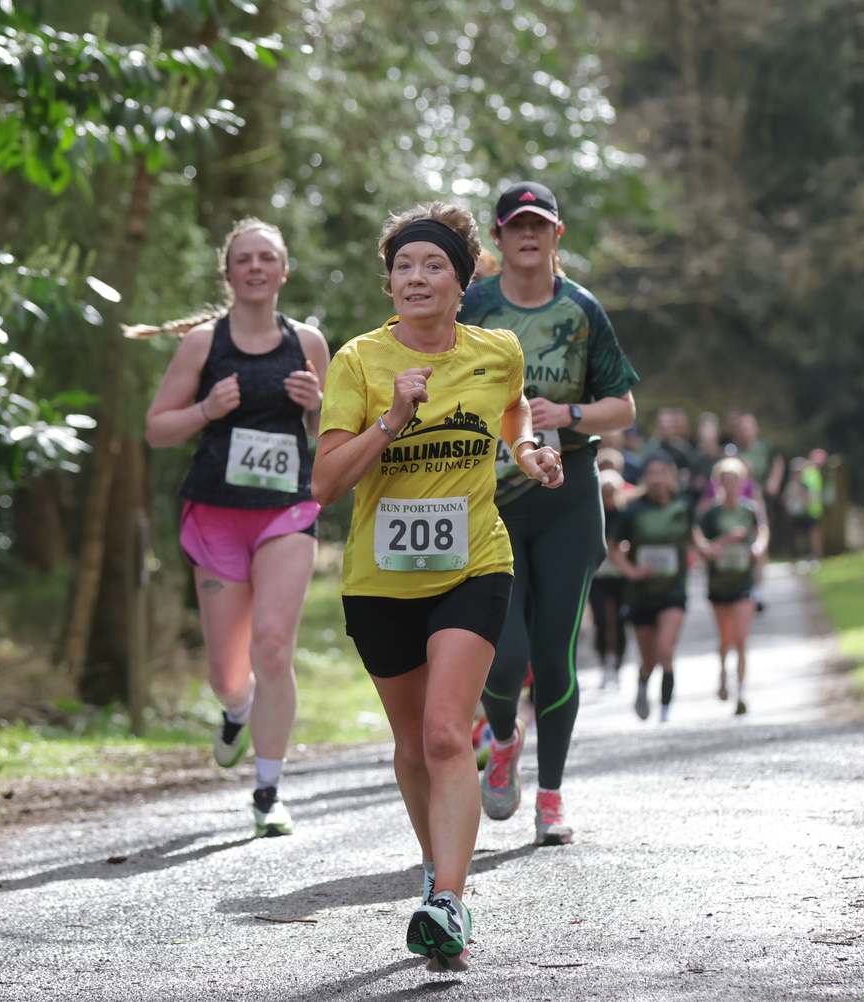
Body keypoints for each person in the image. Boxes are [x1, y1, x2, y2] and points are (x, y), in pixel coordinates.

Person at [312, 201, 563, 970]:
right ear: (389, 283)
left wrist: (528, 451)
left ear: (462, 282)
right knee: (413, 745)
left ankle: (449, 901)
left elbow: (513, 412)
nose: (416, 278)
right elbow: (325, 484)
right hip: (379, 580)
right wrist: (391, 418)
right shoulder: (358, 361)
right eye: (403, 267)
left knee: (448, 734)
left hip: (473, 566)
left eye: (433, 266)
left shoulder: (498, 351)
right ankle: (435, 866)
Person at [459, 180, 639, 847]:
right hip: (491, 498)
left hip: (567, 497)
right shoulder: (474, 306)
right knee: (504, 659)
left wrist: (570, 412)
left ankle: (552, 796)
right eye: (517, 226)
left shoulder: (581, 309)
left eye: (540, 225)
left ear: (556, 234)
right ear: (499, 237)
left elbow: (624, 407)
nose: (528, 235)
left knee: (556, 655)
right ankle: (504, 738)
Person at [138, 218, 329, 838]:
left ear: (283, 271)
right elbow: (156, 429)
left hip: (286, 512)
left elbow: (334, 436)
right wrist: (206, 408)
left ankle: (268, 792)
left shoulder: (308, 343)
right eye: (244, 258)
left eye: (266, 257)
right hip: (216, 513)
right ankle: (237, 709)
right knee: (225, 673)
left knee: (272, 645)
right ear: (228, 273)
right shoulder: (203, 344)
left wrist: (318, 405)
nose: (255, 267)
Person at [608, 455, 691, 722]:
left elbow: (695, 539)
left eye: (662, 472)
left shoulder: (683, 506)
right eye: (652, 473)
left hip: (673, 590)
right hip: (641, 593)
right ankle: (643, 682)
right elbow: (613, 548)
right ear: (645, 478)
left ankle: (665, 710)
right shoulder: (633, 511)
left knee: (665, 650)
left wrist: (709, 550)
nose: (657, 478)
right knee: (649, 659)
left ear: (671, 476)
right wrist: (632, 571)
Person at [692, 457, 768, 715]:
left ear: (742, 482)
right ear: (719, 483)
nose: (731, 485)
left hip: (743, 581)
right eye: (726, 481)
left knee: (741, 638)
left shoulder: (749, 510)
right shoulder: (711, 514)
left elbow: (762, 533)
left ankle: (742, 691)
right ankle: (723, 673)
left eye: (735, 480)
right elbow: (701, 544)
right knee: (725, 637)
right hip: (719, 582)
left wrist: (758, 548)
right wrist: (720, 543)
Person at [729, 413, 783, 613]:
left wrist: (773, 482)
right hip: (738, 503)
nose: (745, 432)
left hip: (758, 500)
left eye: (748, 428)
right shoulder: (732, 451)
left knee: (760, 542)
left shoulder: (764, 448)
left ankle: (758, 590)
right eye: (742, 429)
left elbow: (777, 462)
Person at [590, 468, 632, 688]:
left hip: (620, 576)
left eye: (611, 491)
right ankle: (604, 661)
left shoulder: (625, 516)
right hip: (598, 576)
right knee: (601, 620)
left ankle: (618, 663)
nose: (608, 496)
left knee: (620, 620)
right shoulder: (592, 516)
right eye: (604, 492)